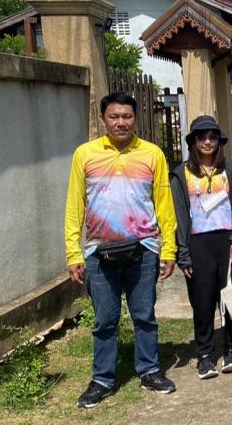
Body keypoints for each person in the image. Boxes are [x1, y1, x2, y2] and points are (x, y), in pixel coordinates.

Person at [65, 92, 177, 408]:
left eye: (127, 116)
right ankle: (102, 379)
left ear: (135, 118)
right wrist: (73, 252)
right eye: (114, 116)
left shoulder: (152, 154)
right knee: (105, 319)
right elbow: (74, 205)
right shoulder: (85, 155)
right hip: (99, 252)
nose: (121, 122)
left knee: (144, 316)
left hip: (143, 249)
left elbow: (164, 204)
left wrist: (168, 249)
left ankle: (150, 370)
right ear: (103, 119)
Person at [170, 116, 232, 380]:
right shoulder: (181, 174)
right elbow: (178, 215)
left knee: (230, 299)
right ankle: (205, 355)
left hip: (228, 242)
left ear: (219, 141)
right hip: (198, 244)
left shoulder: (231, 169)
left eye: (213, 136)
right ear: (193, 141)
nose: (207, 141)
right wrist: (183, 253)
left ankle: (231, 349)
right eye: (201, 136)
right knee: (202, 302)